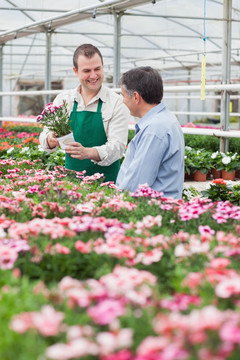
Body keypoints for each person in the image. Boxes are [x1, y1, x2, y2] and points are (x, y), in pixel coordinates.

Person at [39, 43, 131, 182]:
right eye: (87, 70)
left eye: (97, 69)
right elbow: (44, 136)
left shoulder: (117, 103)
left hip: (106, 184)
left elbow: (117, 148)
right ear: (75, 71)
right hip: (71, 183)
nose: (93, 75)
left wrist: (87, 152)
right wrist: (50, 139)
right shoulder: (64, 100)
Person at [116, 66, 185, 199]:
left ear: (136, 97)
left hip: (150, 209)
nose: (123, 101)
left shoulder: (154, 130)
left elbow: (137, 183)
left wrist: (116, 203)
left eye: (123, 96)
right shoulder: (166, 119)